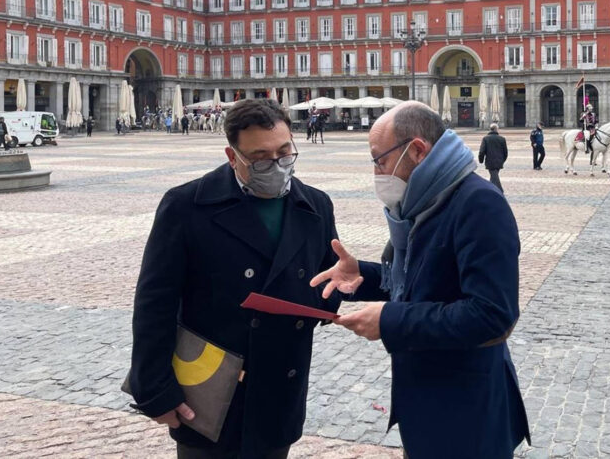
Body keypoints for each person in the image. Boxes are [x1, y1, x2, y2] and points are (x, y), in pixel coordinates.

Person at [310, 102, 530, 459]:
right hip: (426, 397)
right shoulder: (421, 202)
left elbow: (492, 315)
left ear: (416, 150)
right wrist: (362, 275)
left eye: (379, 160)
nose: (378, 172)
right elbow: (420, 280)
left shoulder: (479, 203)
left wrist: (389, 320)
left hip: (464, 408)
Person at [128, 99, 340, 458]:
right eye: (260, 158)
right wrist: (155, 391)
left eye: (285, 151)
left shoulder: (316, 206)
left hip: (279, 385)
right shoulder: (186, 205)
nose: (276, 164)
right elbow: (154, 303)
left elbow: (326, 282)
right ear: (233, 156)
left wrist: (333, 295)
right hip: (209, 391)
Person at [478, 122, 509, 192]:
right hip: (499, 161)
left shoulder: (485, 138)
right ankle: (491, 189)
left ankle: (500, 190)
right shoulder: (502, 139)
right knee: (494, 176)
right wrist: (502, 160)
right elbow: (505, 152)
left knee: (494, 176)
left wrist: (481, 160)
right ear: (496, 129)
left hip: (490, 161)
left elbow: (482, 151)